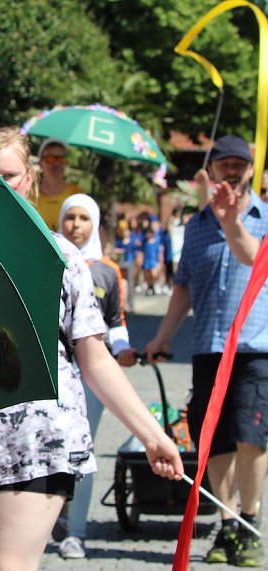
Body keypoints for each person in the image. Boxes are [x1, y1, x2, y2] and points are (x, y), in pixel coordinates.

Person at [0, 126, 183, 570]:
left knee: (5, 565)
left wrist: (153, 436)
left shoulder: (60, 256)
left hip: (39, 435)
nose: (0, 185)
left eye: (10, 175)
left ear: (30, 179)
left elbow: (94, 358)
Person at [145, 135, 268, 567]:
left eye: (239, 164)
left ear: (250, 169)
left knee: (251, 438)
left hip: (255, 347)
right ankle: (227, 522)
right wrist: (162, 336)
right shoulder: (196, 226)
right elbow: (183, 287)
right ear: (211, 170)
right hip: (208, 348)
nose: (232, 170)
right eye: (224, 164)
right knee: (213, 440)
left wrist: (231, 222)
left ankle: (250, 521)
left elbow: (255, 260)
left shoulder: (264, 218)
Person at [56, 193, 137, 558]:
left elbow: (116, 322)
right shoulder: (49, 258)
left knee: (82, 451)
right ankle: (53, 514)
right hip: (56, 373)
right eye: (70, 217)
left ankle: (76, 532)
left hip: (91, 376)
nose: (76, 225)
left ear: (96, 224)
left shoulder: (107, 270)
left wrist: (123, 349)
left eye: (84, 218)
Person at [33, 138, 84, 231]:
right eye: (51, 159)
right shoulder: (30, 195)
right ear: (40, 163)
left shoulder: (77, 195)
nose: (57, 163)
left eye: (61, 159)